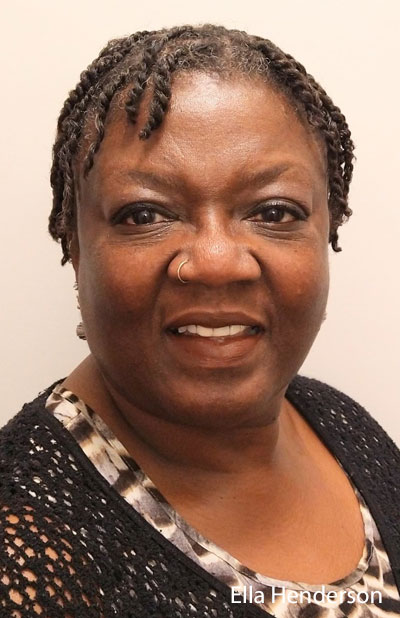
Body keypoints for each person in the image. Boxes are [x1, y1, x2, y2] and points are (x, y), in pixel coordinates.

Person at [1, 23, 400, 618]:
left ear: (327, 230)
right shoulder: (26, 551)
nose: (216, 262)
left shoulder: (343, 427)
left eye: (274, 211)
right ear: (74, 244)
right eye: (144, 214)